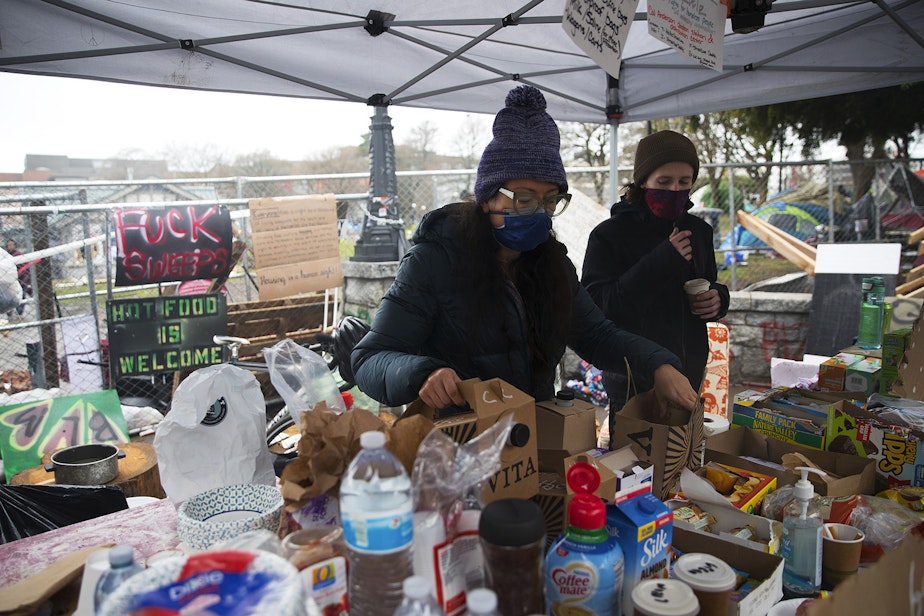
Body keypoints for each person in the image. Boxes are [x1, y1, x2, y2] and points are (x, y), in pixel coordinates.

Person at [351, 86, 698, 416]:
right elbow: (370, 359)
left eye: (549, 200)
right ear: (488, 198)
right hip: (457, 447)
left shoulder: (553, 266)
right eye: (524, 198)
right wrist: (421, 373)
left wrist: (658, 365)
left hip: (532, 443)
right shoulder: (433, 262)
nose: (537, 211)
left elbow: (596, 335)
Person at [581, 130, 730, 442]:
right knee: (632, 473)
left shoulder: (699, 231)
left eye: (684, 182)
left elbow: (709, 283)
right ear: (643, 181)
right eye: (664, 182)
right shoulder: (609, 235)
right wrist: (661, 260)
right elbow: (598, 306)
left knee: (681, 469)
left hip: (688, 372)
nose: (675, 190)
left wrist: (718, 299)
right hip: (632, 379)